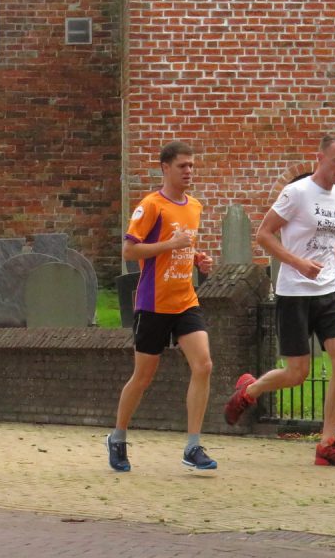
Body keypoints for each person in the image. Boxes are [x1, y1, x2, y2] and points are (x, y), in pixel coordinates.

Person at [223, 134, 335, 467]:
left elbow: (328, 241)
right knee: (297, 373)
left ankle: (327, 443)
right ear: (320, 158)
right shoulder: (296, 193)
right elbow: (263, 235)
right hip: (294, 292)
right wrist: (298, 263)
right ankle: (250, 390)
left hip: (328, 290)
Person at [107, 141, 216, 472]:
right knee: (142, 376)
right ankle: (118, 437)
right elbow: (129, 252)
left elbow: (184, 248)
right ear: (165, 168)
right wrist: (170, 244)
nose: (188, 171)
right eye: (182, 166)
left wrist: (199, 260)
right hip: (153, 304)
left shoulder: (194, 206)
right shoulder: (151, 205)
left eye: (192, 166)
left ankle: (193, 446)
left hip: (185, 300)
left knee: (204, 365)